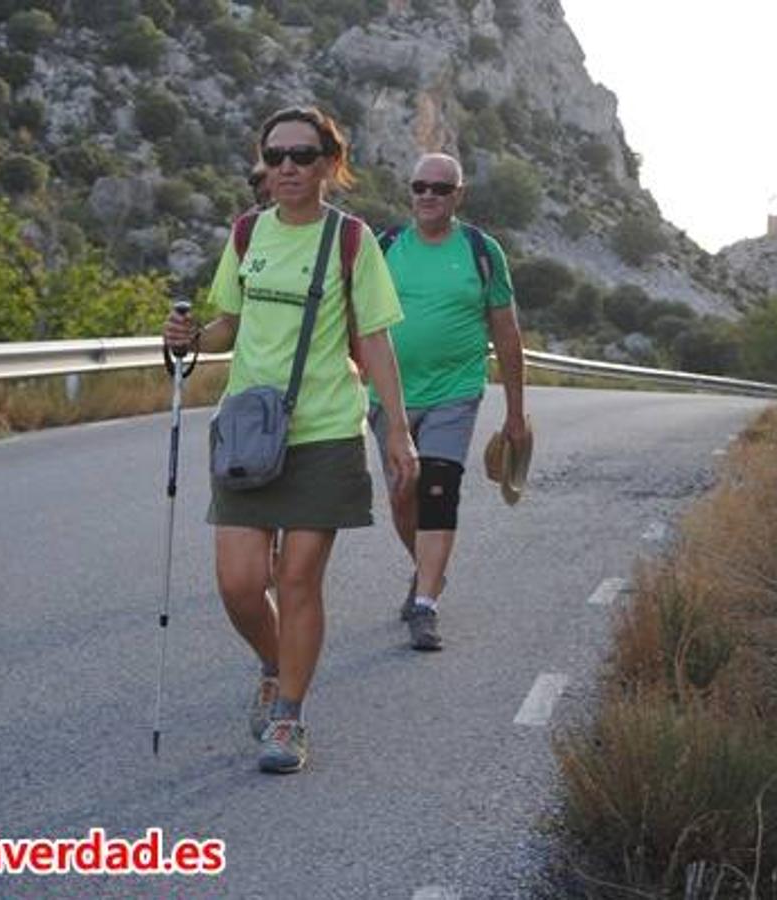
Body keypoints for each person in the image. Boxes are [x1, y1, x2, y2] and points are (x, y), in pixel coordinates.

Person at [163, 107, 418, 774]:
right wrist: (191, 340)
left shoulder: (352, 241)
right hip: (250, 428)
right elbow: (227, 324)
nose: (286, 168)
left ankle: (289, 718)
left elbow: (377, 342)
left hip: (326, 431)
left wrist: (396, 432)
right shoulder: (248, 234)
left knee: (300, 577)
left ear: (330, 165)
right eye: (274, 156)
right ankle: (275, 664)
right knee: (241, 584)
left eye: (302, 156)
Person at [367, 152, 528, 651]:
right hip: (389, 395)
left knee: (439, 487)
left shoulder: (482, 251)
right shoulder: (384, 246)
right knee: (402, 493)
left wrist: (516, 414)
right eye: (420, 187)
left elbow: (506, 331)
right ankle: (426, 570)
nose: (428, 196)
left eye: (440, 188)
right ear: (410, 191)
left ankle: (426, 605)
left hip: (455, 392)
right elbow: (356, 321)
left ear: (459, 195)